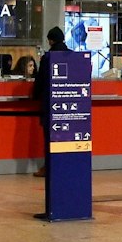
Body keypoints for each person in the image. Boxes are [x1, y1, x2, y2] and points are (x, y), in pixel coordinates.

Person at [30, 27, 72, 178]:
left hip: (51, 105)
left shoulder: (48, 57)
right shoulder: (73, 56)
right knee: (67, 137)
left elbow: (40, 81)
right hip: (70, 105)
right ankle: (66, 166)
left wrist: (34, 96)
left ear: (51, 40)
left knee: (50, 138)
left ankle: (49, 167)